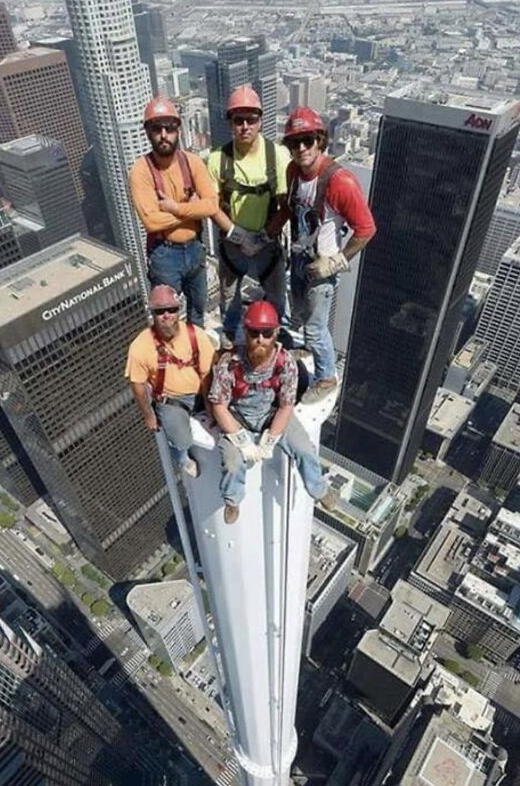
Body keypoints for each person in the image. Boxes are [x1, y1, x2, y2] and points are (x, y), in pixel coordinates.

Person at [208, 300, 336, 524]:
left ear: (276, 332)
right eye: (255, 333)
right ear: (246, 332)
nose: (260, 340)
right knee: (232, 463)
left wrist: (271, 439)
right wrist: (240, 439)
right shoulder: (230, 363)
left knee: (305, 450)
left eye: (266, 333)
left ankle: (319, 490)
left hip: (272, 415)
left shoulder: (285, 363)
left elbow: (286, 405)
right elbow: (218, 405)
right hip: (239, 419)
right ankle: (233, 499)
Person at [282, 107, 376, 402]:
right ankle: (310, 350)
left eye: (307, 140)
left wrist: (336, 262)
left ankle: (326, 377)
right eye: (295, 142)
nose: (301, 148)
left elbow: (366, 228)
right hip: (299, 257)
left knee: (315, 327)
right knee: (299, 312)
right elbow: (290, 209)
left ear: (320, 139)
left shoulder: (340, 181)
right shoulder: (293, 172)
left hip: (323, 264)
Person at [207, 86, 290, 347]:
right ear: (231, 123)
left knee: (276, 296)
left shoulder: (276, 155)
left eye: (251, 119)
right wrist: (238, 235)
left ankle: (277, 334)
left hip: (268, 241)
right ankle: (230, 335)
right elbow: (212, 206)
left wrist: (266, 234)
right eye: (238, 120)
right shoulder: (218, 160)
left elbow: (285, 204)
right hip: (233, 245)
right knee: (228, 297)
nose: (245, 126)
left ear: (260, 120)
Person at [130, 97, 218, 326]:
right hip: (164, 254)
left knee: (199, 310)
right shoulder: (141, 171)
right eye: (156, 128)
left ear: (178, 129)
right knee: (166, 319)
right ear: (148, 132)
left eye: (169, 127)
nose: (163, 134)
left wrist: (174, 207)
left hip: (195, 249)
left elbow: (211, 205)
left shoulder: (193, 163)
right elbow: (151, 222)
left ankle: (195, 354)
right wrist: (192, 209)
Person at [125, 284, 215, 477]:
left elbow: (208, 374)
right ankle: (182, 458)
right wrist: (148, 415)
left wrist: (210, 404)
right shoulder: (140, 346)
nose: (167, 315)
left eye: (171, 310)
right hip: (172, 400)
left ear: (178, 310)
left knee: (225, 416)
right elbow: (137, 386)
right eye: (160, 311)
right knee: (182, 440)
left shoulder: (195, 335)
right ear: (153, 314)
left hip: (201, 391)